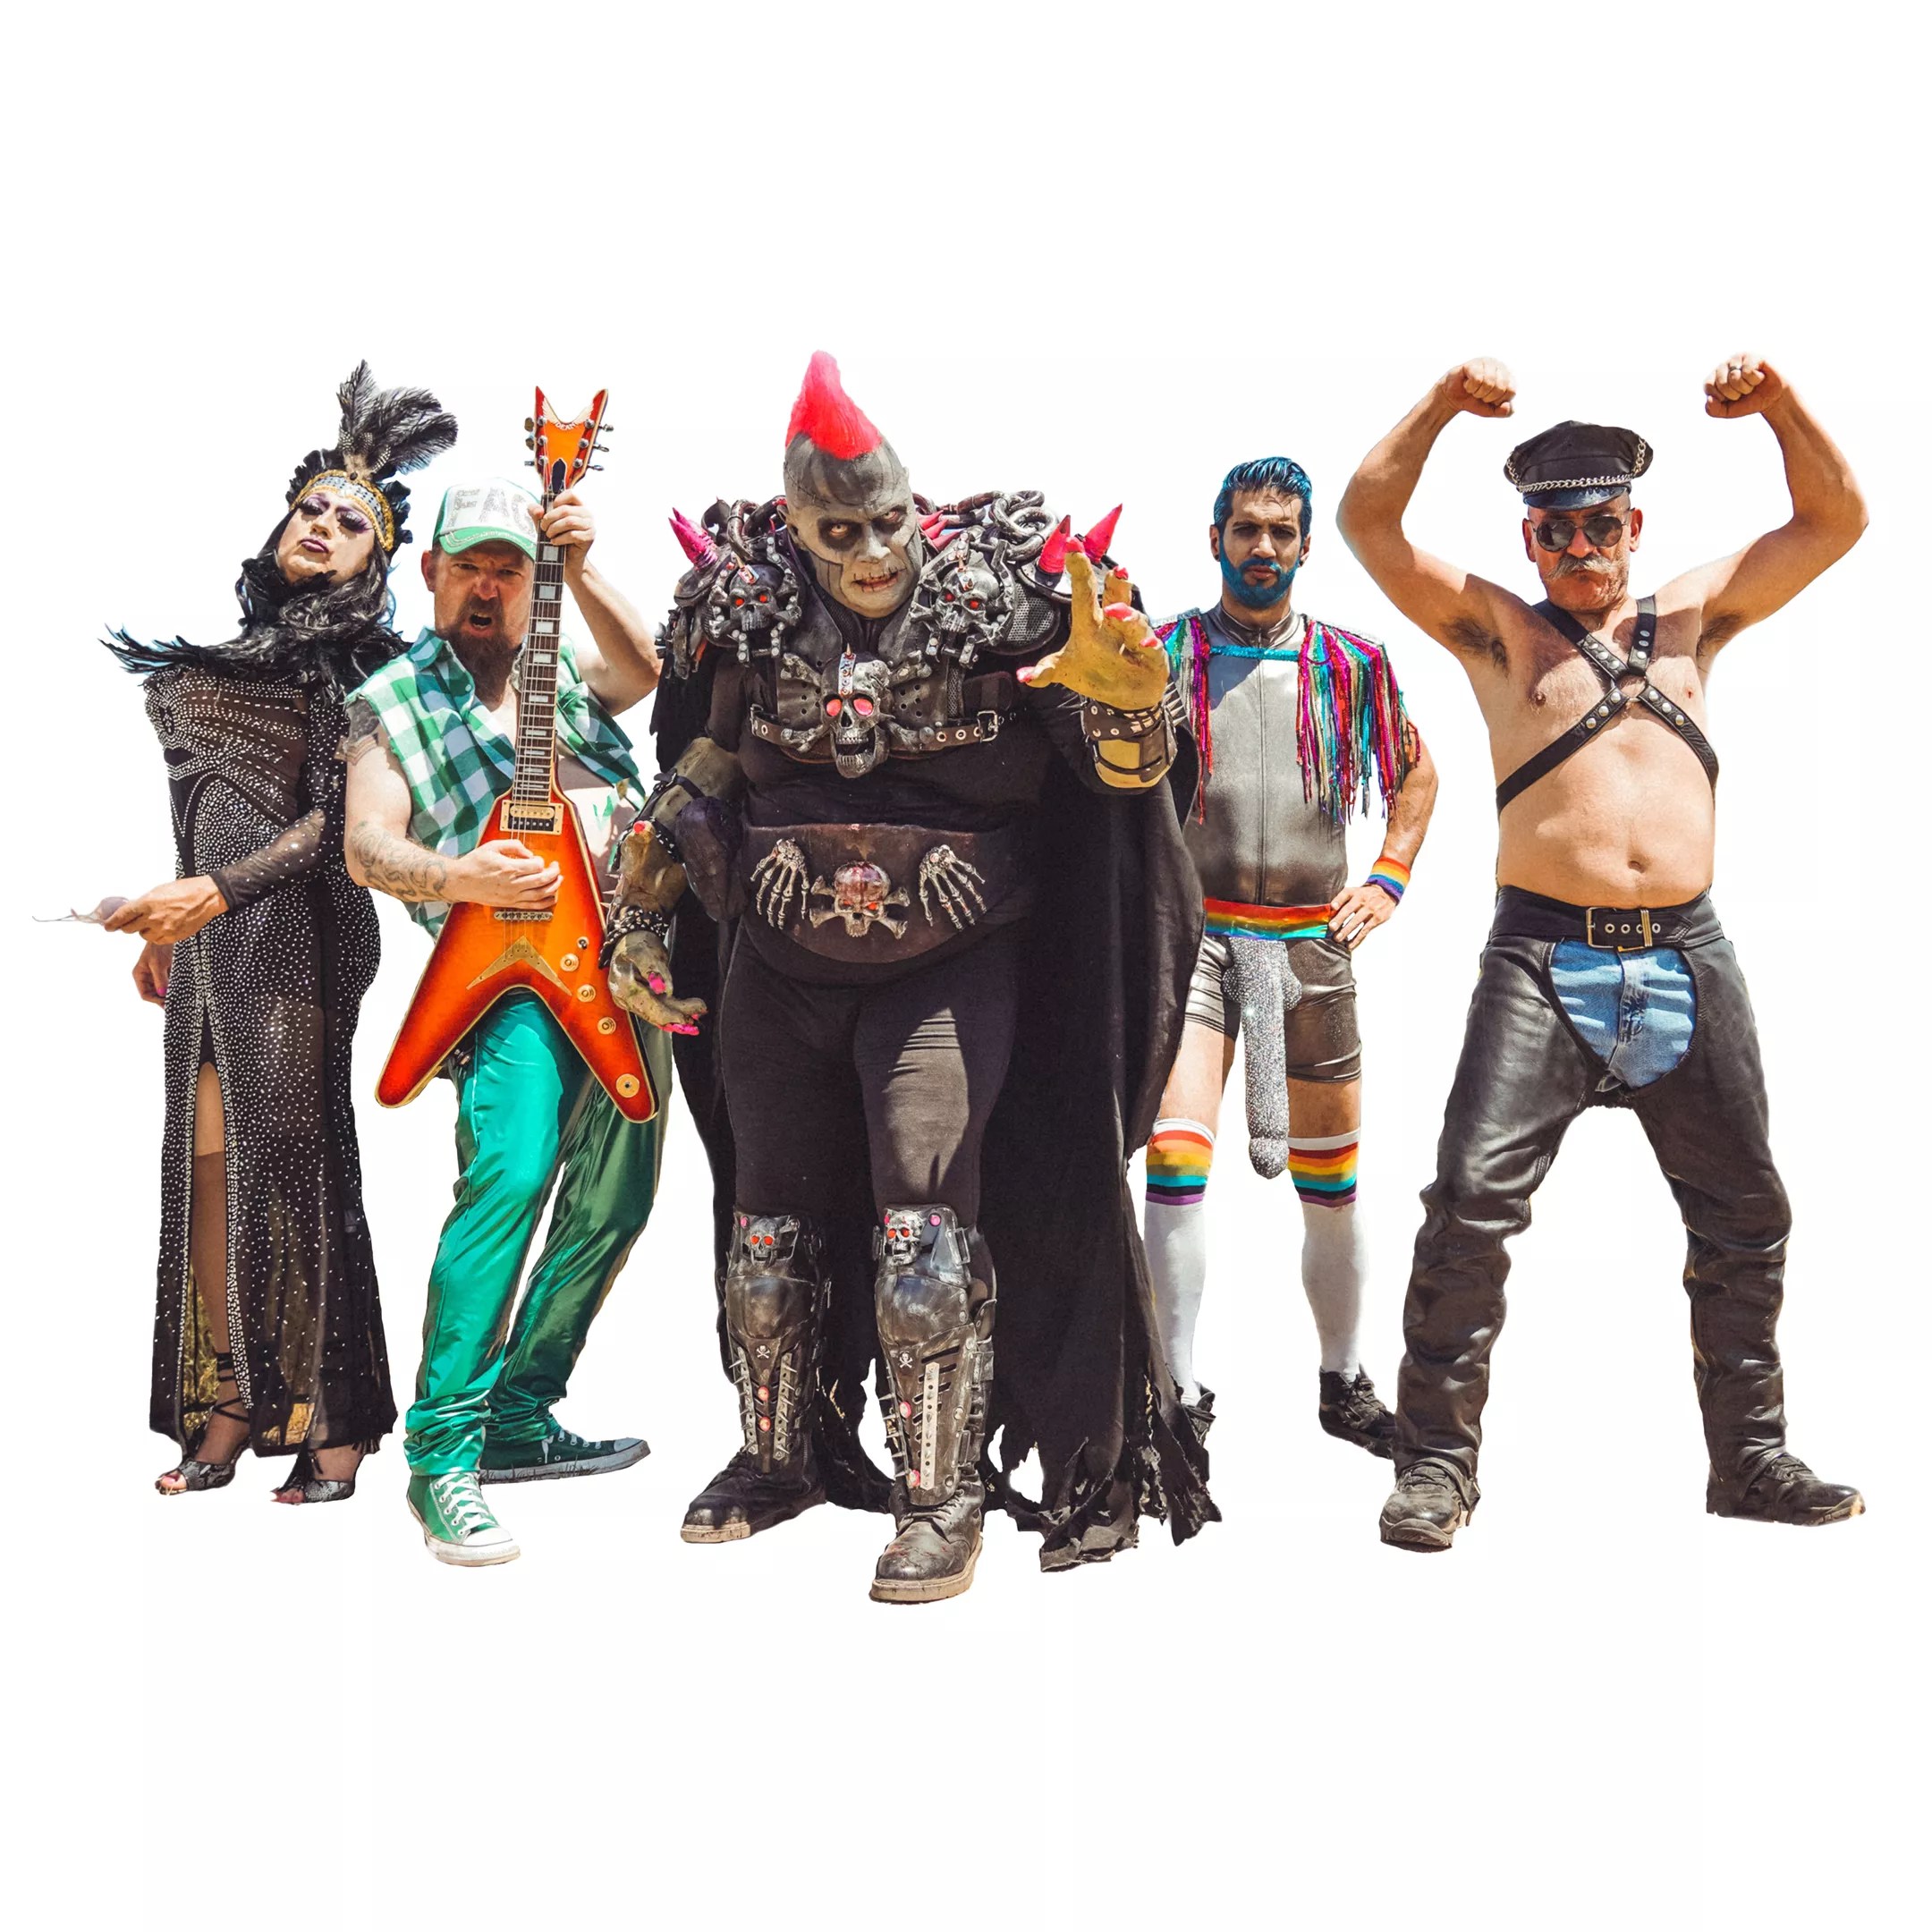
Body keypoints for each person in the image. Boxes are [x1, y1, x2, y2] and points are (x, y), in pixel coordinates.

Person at [608, 352, 1215, 1603]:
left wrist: (1133, 705)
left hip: (949, 967)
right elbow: (706, 764)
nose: (874, 551)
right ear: (797, 526)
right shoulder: (750, 601)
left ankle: (941, 1497)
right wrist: (641, 915)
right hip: (779, 965)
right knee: (764, 1234)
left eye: (887, 521)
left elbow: (1119, 779)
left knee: (924, 1232)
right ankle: (779, 1454)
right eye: (841, 532)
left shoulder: (1007, 597)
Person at [1336, 352, 1868, 1550]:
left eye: (1603, 524)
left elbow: (1834, 521)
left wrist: (1780, 406)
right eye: (1558, 528)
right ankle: (1435, 1467)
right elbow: (1370, 522)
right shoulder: (1499, 632)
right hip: (1542, 957)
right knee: (1469, 1208)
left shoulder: (1691, 619)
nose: (1582, 547)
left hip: (1686, 951)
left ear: (1635, 525)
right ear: (1529, 538)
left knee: (1745, 1215)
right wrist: (1440, 405)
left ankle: (1751, 1460)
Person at [106, 365, 454, 1503]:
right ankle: (232, 1397)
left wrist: (216, 893)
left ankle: (335, 1419)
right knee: (207, 1169)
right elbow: (194, 799)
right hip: (209, 938)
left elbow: (330, 824)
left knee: (293, 1170)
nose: (324, 527)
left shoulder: (360, 671)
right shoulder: (229, 657)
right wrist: (171, 919)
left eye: (352, 525)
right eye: (313, 509)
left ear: (375, 564)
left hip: (300, 932)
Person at [343, 473, 669, 1566]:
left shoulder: (558, 664)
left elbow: (646, 669)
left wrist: (580, 565)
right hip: (509, 980)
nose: (488, 588)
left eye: (510, 569)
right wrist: (457, 874)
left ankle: (522, 1413)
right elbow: (367, 843)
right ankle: (441, 1455)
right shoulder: (389, 701)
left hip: (629, 964)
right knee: (510, 1181)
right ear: (431, 571)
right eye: (470, 567)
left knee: (618, 1200)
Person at [1148, 457, 1437, 1451]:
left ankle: (1343, 1380)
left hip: (1315, 943)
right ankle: (1173, 1392)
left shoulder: (1351, 663)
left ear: (1307, 545)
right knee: (1174, 1162)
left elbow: (1417, 772)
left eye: (1281, 531)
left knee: (1333, 1182)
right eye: (1247, 529)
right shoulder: (1163, 655)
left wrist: (1389, 877)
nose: (1263, 547)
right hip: (1198, 943)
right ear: (1216, 538)